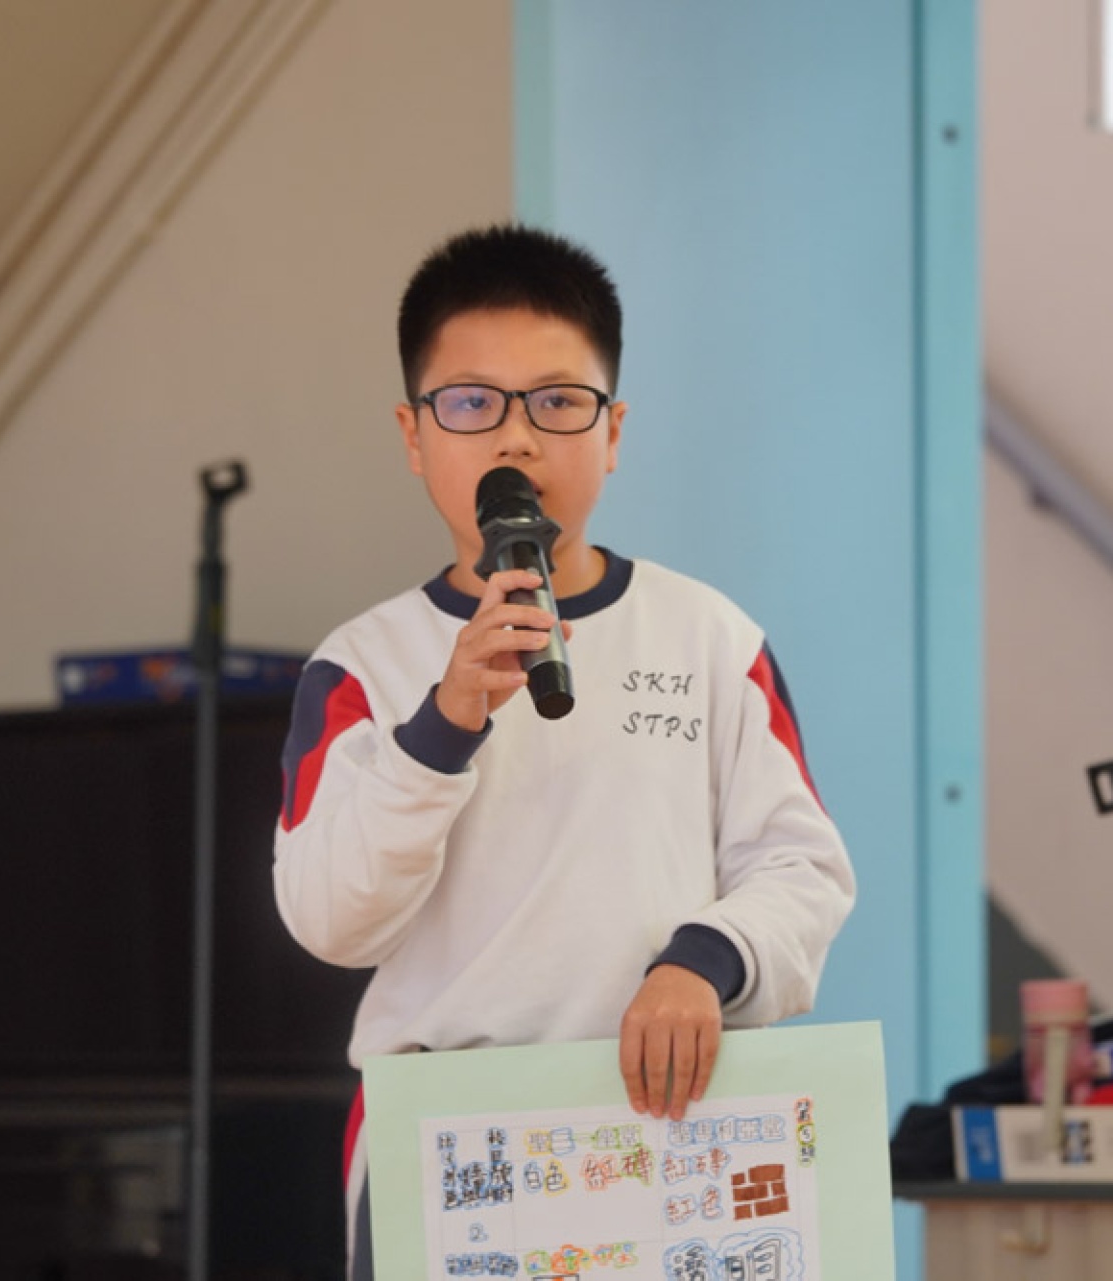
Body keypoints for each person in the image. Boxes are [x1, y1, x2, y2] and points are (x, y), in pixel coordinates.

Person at [272, 223, 855, 1279]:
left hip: (671, 1135)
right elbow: (330, 920)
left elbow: (803, 868)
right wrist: (443, 725)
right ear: (414, 435)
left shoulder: (709, 636)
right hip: (454, 1145)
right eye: (470, 404)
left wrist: (703, 961)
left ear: (613, 428)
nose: (515, 440)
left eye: (555, 402)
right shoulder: (364, 662)